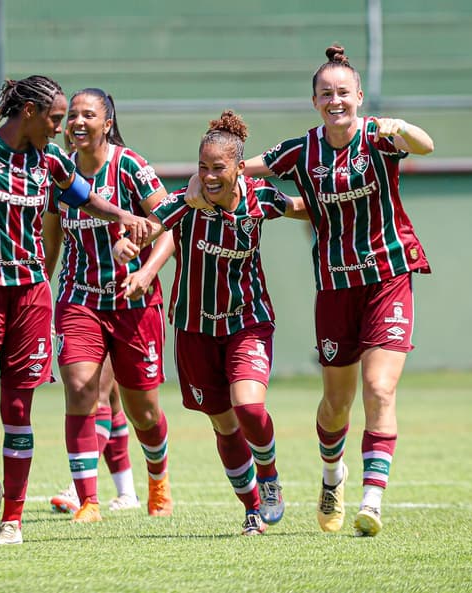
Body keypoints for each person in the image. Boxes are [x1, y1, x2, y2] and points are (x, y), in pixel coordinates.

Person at [188, 45, 434, 537]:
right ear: (315, 100)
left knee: (379, 388)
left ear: (359, 96)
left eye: (344, 92)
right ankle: (331, 477)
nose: (336, 100)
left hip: (389, 274)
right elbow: (237, 167)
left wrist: (400, 127)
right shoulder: (302, 150)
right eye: (327, 93)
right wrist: (201, 179)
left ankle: (372, 501)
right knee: (336, 403)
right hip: (336, 286)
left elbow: (425, 145)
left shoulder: (377, 137)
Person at [0, 75, 154, 545]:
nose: (62, 128)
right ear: (31, 113)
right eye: (57, 118)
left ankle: (12, 519)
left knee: (19, 409)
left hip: (32, 296)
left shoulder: (52, 159)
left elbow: (85, 196)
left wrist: (122, 216)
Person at [114, 110, 307, 535]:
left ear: (239, 167)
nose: (209, 175)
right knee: (223, 421)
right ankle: (252, 508)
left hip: (247, 321)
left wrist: (347, 208)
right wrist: (128, 246)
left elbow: (300, 207)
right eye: (203, 167)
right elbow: (149, 224)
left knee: (249, 408)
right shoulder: (186, 203)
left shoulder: (261, 199)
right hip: (195, 328)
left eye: (218, 167)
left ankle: (270, 478)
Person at [41, 88, 175, 523]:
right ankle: (88, 501)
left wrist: (144, 270)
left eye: (88, 115)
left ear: (107, 122)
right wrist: (41, 289)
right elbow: (52, 237)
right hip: (79, 299)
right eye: (72, 116)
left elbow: (167, 226)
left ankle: (157, 483)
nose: (77, 122)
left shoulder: (129, 166)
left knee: (142, 410)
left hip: (133, 302)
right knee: (81, 387)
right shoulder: (59, 173)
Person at [48, 355, 141, 513]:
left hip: (111, 330)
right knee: (111, 398)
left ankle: (79, 491)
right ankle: (128, 493)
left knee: (97, 397)